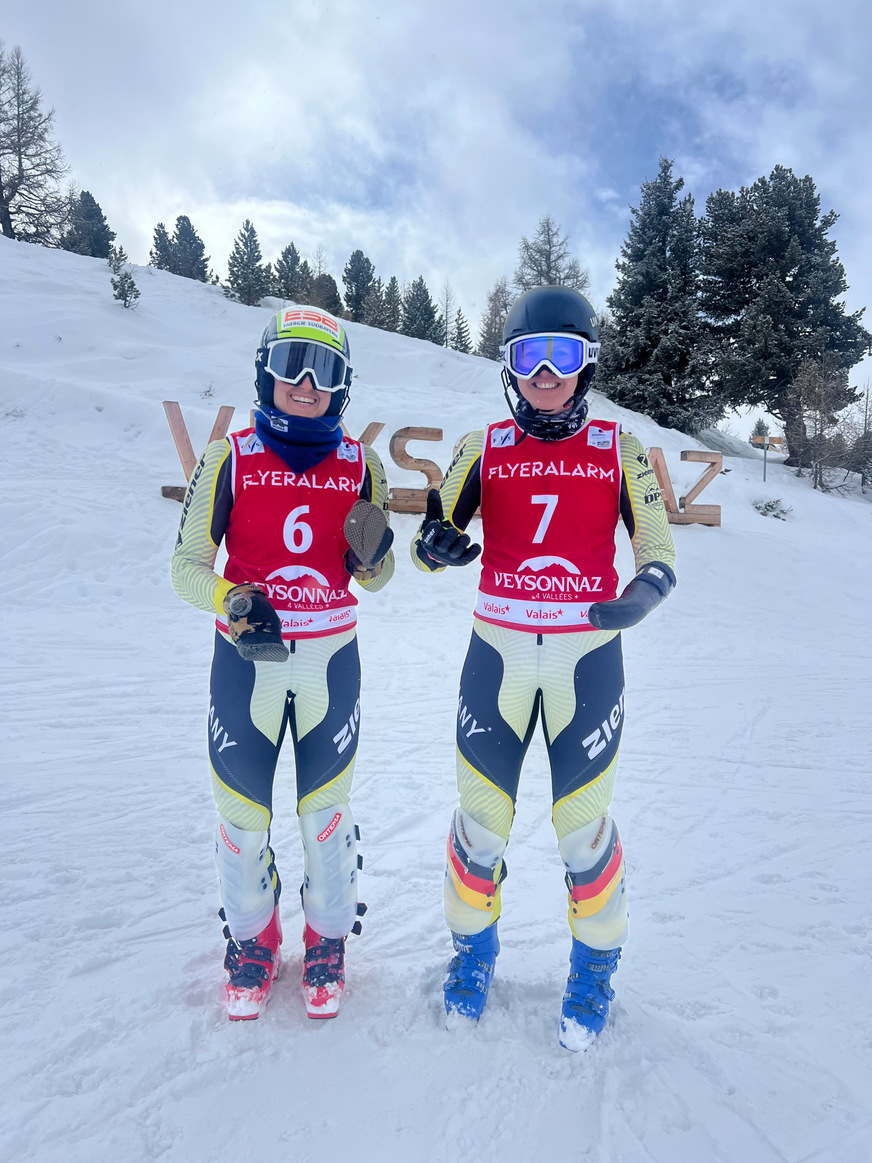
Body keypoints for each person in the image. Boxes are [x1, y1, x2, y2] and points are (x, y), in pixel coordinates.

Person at [411, 286, 676, 1051]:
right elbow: (437, 531)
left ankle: (594, 968)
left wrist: (645, 592)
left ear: (587, 363)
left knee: (583, 832)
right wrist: (437, 547)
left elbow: (657, 546)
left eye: (564, 355)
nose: (547, 372)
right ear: (510, 366)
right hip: (495, 658)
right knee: (479, 828)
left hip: (584, 661)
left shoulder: (621, 449)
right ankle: (473, 954)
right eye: (531, 356)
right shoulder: (482, 444)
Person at [172, 306, 394, 1021]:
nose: (306, 382)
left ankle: (327, 941)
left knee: (324, 813)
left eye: (324, 369)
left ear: (343, 385)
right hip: (248, 658)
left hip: (329, 658)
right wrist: (232, 597)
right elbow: (185, 568)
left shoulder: (364, 464)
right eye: (290, 364)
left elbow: (378, 577)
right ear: (265, 374)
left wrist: (375, 553)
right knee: (241, 820)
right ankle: (254, 938)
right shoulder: (228, 455)